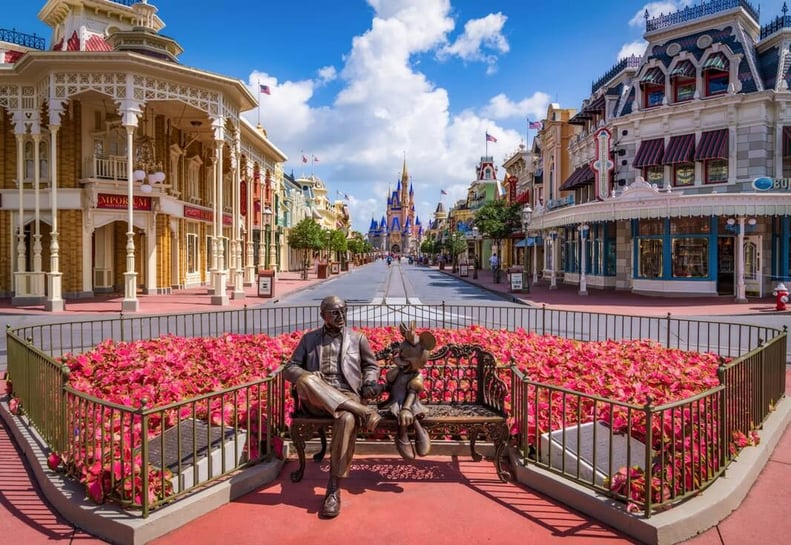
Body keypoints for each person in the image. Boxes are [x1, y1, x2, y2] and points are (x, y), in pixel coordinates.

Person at [283, 295, 382, 519]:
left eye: (344, 310)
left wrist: (369, 381)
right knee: (307, 381)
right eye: (335, 312)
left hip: (346, 393)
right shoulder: (309, 340)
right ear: (323, 315)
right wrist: (308, 375)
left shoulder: (358, 339)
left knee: (346, 418)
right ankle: (364, 412)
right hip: (316, 399)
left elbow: (371, 366)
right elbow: (289, 368)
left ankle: (333, 489)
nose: (341, 316)